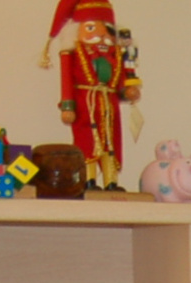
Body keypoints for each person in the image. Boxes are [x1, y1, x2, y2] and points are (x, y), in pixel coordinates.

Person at [40, 0, 142, 191]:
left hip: (109, 104)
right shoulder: (73, 54)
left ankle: (111, 182)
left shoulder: (116, 55)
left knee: (111, 144)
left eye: (106, 29)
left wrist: (127, 91)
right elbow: (66, 81)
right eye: (91, 28)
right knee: (87, 143)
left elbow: (121, 80)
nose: (101, 34)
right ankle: (89, 180)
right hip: (85, 104)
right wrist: (68, 106)